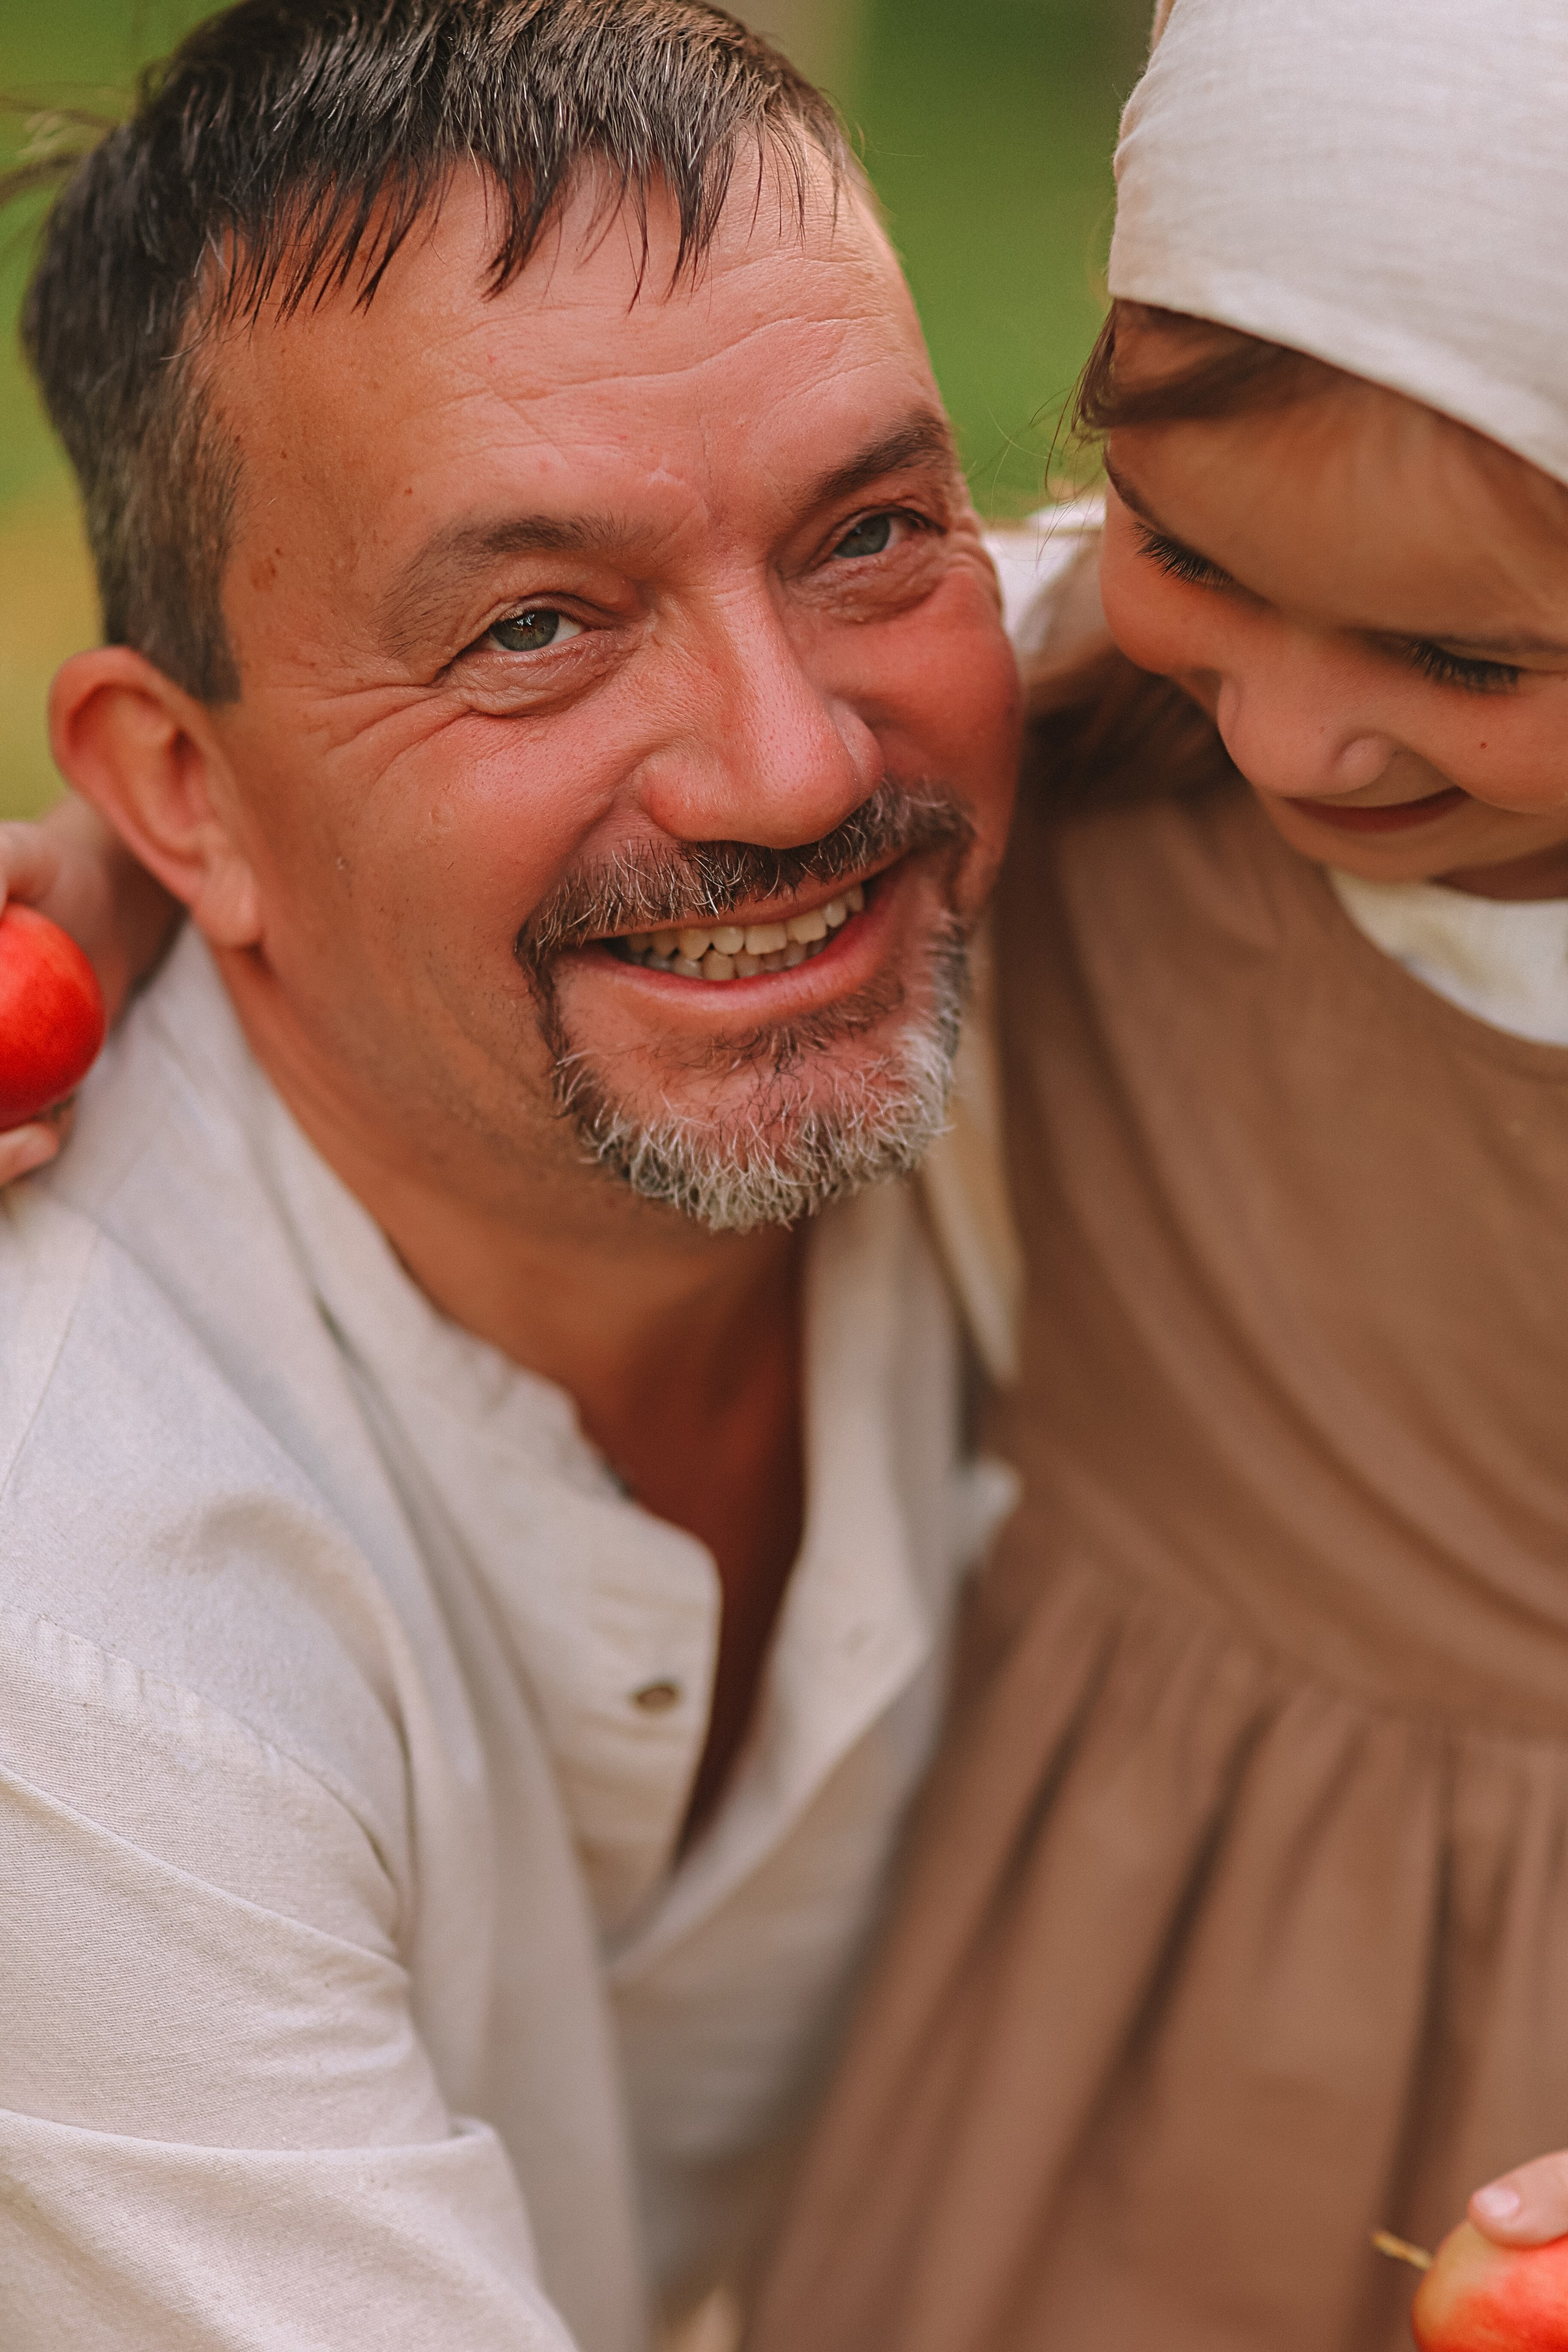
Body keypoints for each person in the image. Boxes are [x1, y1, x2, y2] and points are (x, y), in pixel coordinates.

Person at [0, 4, 1033, 2345]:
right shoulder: (61, 1624)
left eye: (871, 530)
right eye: (532, 630)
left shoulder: (1183, 799)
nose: (785, 771)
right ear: (184, 788)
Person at [745, 2, 1568, 2347]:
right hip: (1094, 2001)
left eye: (1460, 652)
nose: (1298, 734)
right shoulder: (1054, 722)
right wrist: (140, 888)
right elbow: (547, 812)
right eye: (1193, 547)